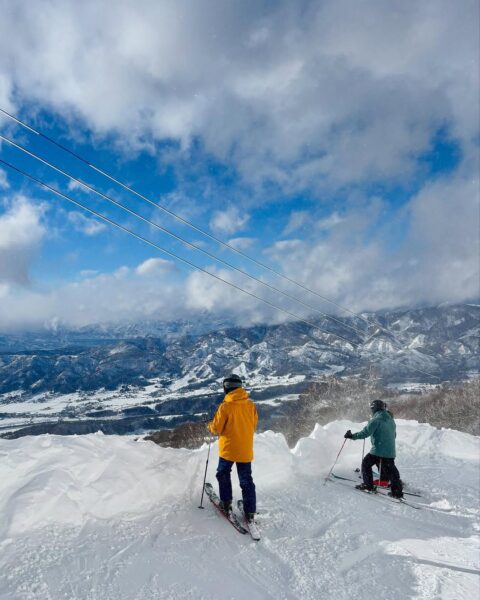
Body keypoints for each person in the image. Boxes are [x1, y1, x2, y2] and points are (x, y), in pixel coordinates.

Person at [208, 374, 258, 522]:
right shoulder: (250, 405)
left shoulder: (225, 406)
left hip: (228, 450)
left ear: (227, 388)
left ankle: (226, 502)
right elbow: (253, 424)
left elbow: (216, 428)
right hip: (245, 449)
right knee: (246, 480)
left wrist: (209, 426)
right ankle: (250, 512)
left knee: (223, 474)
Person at [344, 399, 403, 499]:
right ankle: (395, 490)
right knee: (390, 469)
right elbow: (394, 435)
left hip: (379, 450)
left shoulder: (376, 420)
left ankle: (368, 485)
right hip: (390, 451)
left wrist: (351, 436)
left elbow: (365, 433)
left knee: (366, 464)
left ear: (374, 409)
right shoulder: (391, 420)